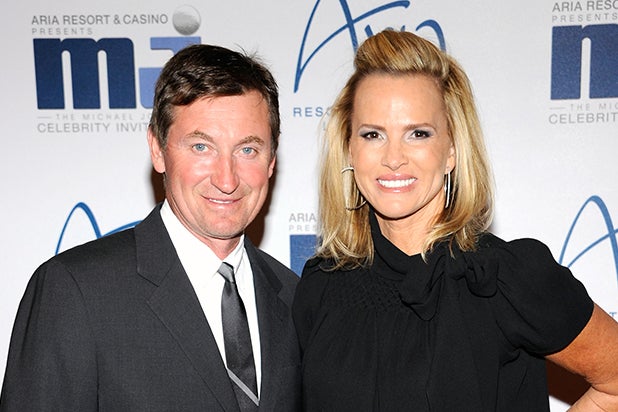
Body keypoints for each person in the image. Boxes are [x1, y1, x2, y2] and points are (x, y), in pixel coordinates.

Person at [292, 29, 618, 411]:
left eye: (418, 133)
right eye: (373, 134)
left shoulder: (504, 279)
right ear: (349, 147)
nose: (393, 158)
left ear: (450, 150)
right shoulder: (321, 286)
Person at [0, 44, 300, 411]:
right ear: (158, 149)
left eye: (247, 150)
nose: (227, 179)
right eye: (201, 147)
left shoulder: (295, 298)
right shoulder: (76, 291)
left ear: (272, 159)